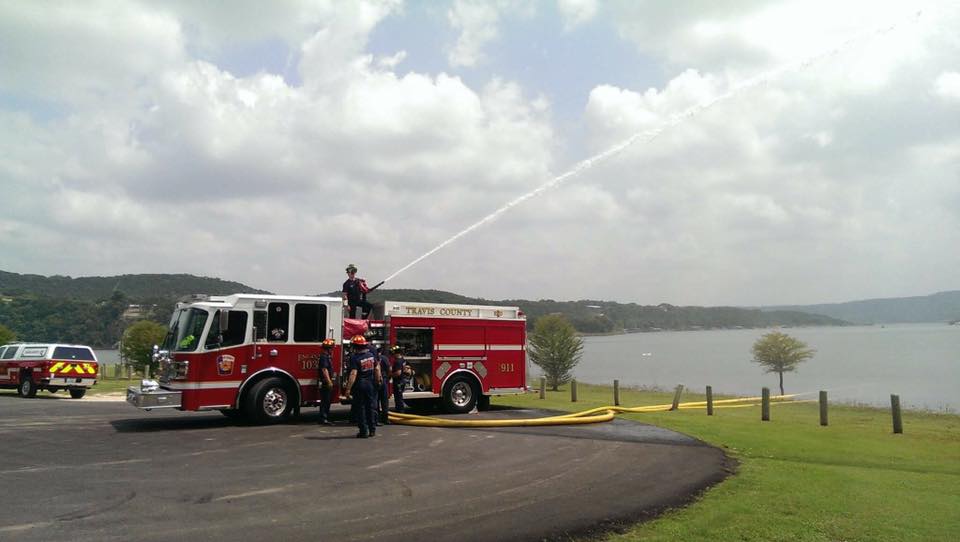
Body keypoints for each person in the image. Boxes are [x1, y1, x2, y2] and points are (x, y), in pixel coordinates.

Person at [344, 335, 381, 438]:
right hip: (370, 384)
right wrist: (377, 381)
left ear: (355, 346)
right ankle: (372, 429)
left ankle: (363, 431)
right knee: (370, 407)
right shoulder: (371, 355)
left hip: (360, 385)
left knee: (360, 408)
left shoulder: (354, 358)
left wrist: (348, 389)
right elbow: (377, 369)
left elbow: (353, 374)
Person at [316, 338, 335, 425]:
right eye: (331, 348)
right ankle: (323, 418)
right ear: (328, 348)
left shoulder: (326, 356)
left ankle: (324, 417)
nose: (332, 350)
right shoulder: (324, 357)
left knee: (326, 400)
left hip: (325, 381)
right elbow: (324, 369)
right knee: (325, 401)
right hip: (325, 382)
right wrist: (329, 381)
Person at [389, 345, 413, 413]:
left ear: (396, 353)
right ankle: (400, 410)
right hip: (402, 381)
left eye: (393, 354)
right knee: (399, 397)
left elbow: (398, 373)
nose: (393, 355)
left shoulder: (397, 361)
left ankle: (400, 412)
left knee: (398, 398)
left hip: (398, 382)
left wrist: (390, 375)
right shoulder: (403, 360)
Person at [376, 345, 391, 424]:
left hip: (375, 381)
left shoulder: (372, 358)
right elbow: (389, 369)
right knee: (384, 400)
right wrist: (387, 378)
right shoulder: (384, 358)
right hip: (384, 380)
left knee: (376, 401)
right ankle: (385, 419)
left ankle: (376, 419)